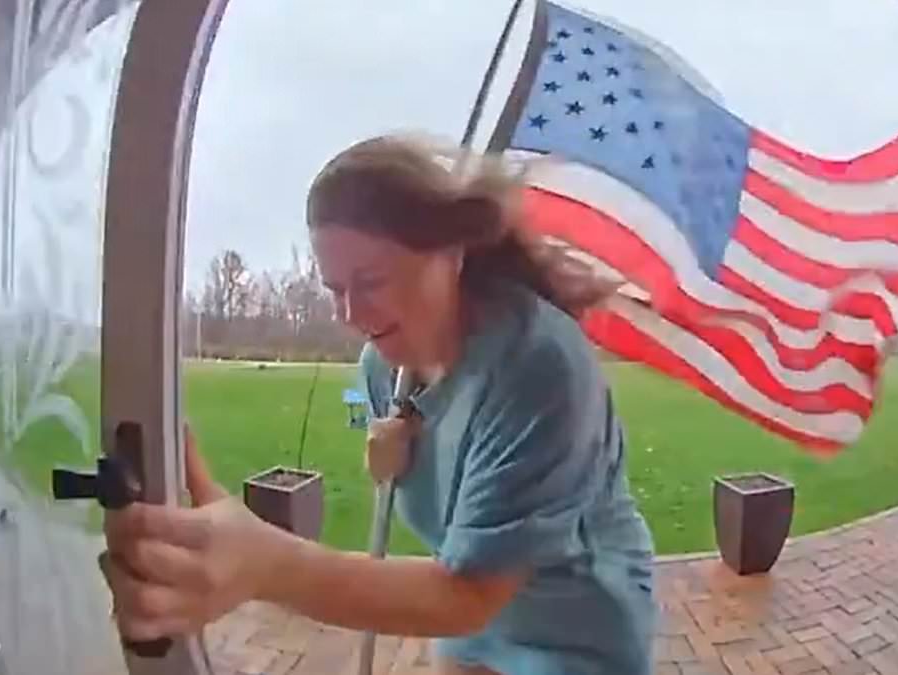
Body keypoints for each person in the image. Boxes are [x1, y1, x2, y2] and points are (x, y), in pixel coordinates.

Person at [100, 134, 657, 675]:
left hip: (576, 631)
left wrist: (264, 564)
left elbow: (470, 595)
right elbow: (443, 530)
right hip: (475, 626)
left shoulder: (539, 366)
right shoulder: (382, 365)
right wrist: (384, 458)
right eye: (333, 286)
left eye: (370, 280)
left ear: (452, 253)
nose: (348, 313)